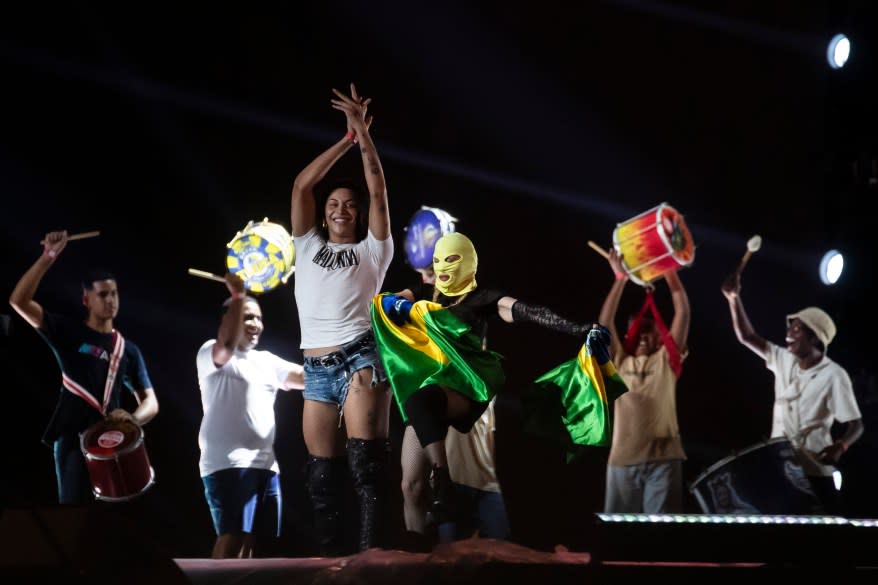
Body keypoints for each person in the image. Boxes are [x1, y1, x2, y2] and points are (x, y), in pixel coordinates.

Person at [374, 232, 615, 537]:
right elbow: (386, 302)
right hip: (425, 391)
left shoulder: (480, 299)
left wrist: (577, 328)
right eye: (437, 261)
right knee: (410, 484)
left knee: (421, 401)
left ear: (468, 263)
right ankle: (420, 553)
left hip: (462, 388)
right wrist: (401, 306)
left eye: (450, 260)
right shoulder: (424, 293)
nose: (442, 268)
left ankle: (444, 484)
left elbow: (528, 311)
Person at [290, 83, 394, 554]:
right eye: (333, 204)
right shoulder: (307, 246)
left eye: (348, 204)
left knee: (366, 472)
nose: (340, 209)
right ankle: (329, 564)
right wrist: (347, 141)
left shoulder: (374, 250)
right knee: (320, 479)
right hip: (315, 368)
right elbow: (302, 185)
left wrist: (366, 140)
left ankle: (372, 563)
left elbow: (378, 189)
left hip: (359, 357)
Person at [8, 230, 159, 505]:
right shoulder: (67, 331)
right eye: (103, 294)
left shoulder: (127, 349)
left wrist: (133, 418)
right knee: (73, 515)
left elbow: (151, 402)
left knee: (115, 521)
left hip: (112, 439)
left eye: (114, 293)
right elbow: (18, 301)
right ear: (86, 299)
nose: (111, 300)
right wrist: (48, 257)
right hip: (72, 438)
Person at [721, 270, 863, 515]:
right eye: (791, 327)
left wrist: (840, 446)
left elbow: (856, 424)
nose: (789, 333)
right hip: (782, 466)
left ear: (815, 338)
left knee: (820, 535)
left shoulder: (834, 375)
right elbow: (746, 336)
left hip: (814, 470)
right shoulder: (783, 359)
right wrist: (734, 299)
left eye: (797, 329)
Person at [397, 263, 510, 547]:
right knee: (410, 486)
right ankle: (416, 560)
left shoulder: (485, 383)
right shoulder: (435, 382)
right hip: (452, 483)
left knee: (503, 560)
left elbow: (491, 440)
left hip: (487, 485)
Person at [195, 272, 305, 558]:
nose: (255, 324)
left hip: (266, 465)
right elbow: (227, 345)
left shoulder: (267, 361)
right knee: (231, 538)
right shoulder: (210, 353)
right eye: (246, 317)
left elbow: (309, 377)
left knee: (251, 543)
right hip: (228, 464)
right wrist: (237, 297)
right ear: (228, 321)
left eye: (258, 317)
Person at [598, 247, 691, 514]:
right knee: (619, 536)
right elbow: (604, 323)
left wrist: (671, 272)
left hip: (664, 460)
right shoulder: (619, 362)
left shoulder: (666, 360)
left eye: (648, 331)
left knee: (660, 537)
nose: (641, 336)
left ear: (661, 337)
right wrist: (619, 280)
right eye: (636, 331)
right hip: (622, 460)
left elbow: (682, 312)